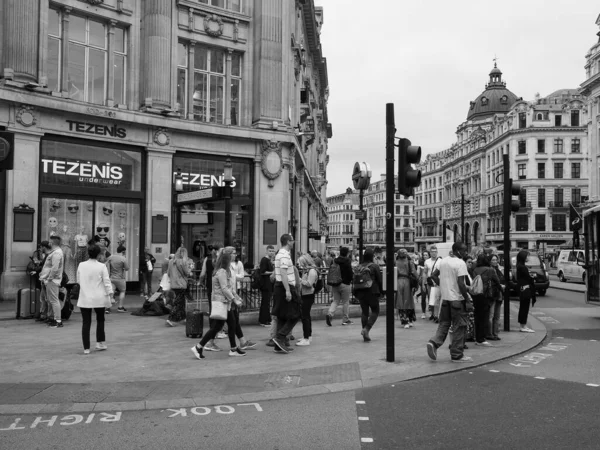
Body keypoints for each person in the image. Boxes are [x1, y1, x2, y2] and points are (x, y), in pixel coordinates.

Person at [191, 251, 247, 359]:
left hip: (225, 302)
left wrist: (237, 297)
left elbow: (229, 288)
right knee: (223, 326)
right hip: (222, 302)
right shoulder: (221, 272)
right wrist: (234, 300)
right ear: (226, 261)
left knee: (226, 325)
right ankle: (200, 346)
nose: (232, 261)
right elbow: (224, 289)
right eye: (230, 259)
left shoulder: (224, 271)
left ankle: (232, 348)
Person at [426, 242, 474, 363]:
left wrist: (442, 285)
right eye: (463, 250)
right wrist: (467, 300)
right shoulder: (460, 263)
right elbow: (461, 284)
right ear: (457, 250)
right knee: (459, 327)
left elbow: (433, 275)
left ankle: (434, 343)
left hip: (445, 300)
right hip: (457, 300)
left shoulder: (443, 261)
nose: (465, 252)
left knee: (444, 324)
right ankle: (457, 355)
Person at [77, 244, 114, 354]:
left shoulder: (81, 265)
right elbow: (107, 282)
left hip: (85, 296)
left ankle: (86, 348)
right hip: (99, 296)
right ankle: (100, 342)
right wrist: (110, 294)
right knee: (100, 319)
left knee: (86, 322)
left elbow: (79, 281)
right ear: (99, 254)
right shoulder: (101, 266)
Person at [271, 234, 301, 354]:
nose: (294, 243)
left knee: (282, 315)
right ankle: (280, 337)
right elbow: (283, 273)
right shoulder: (283, 255)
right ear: (288, 242)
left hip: (281, 287)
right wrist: (288, 290)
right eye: (292, 241)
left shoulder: (282, 254)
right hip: (285, 287)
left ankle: (279, 344)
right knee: (296, 314)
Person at [223, 246, 256, 351]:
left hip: (232, 295)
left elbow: (240, 277)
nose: (235, 254)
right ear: (228, 254)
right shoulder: (224, 268)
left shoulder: (235, 265)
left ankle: (241, 342)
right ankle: (205, 344)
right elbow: (225, 286)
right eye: (233, 253)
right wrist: (233, 298)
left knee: (234, 321)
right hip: (226, 298)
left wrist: (236, 297)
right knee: (223, 324)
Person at [471, 253, 500, 347]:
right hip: (486, 296)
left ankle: (477, 337)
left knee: (477, 316)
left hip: (476, 295)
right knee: (485, 317)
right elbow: (497, 281)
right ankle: (482, 338)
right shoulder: (490, 270)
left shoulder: (475, 270)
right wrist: (501, 289)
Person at [354, 249, 382, 342]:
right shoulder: (374, 266)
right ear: (372, 256)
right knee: (375, 311)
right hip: (372, 291)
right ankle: (366, 329)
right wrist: (382, 292)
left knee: (364, 312)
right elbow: (379, 279)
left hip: (361, 291)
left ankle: (365, 332)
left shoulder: (359, 266)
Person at [199, 245, 222, 352]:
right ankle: (215, 333)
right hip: (218, 288)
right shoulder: (220, 260)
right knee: (219, 310)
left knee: (212, 309)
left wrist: (200, 282)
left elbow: (203, 274)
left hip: (209, 287)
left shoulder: (206, 259)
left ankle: (213, 332)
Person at [38, 236, 65, 328]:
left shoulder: (57, 253)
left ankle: (58, 320)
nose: (48, 243)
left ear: (52, 243)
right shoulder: (55, 252)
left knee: (53, 300)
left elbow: (55, 267)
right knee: (52, 300)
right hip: (52, 280)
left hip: (53, 280)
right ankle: (56, 319)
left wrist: (49, 278)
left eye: (50, 241)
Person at [326, 246, 353, 326]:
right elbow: (350, 272)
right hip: (345, 284)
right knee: (345, 302)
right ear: (347, 253)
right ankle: (345, 319)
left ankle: (330, 314)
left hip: (335, 283)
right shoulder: (347, 261)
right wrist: (350, 280)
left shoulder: (335, 260)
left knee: (336, 301)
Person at [297, 254, 319, 346]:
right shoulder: (307, 270)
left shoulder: (312, 271)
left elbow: (309, 283)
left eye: (300, 262)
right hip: (305, 294)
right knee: (306, 316)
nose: (299, 264)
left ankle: (306, 338)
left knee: (305, 317)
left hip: (308, 295)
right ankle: (307, 335)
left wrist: (300, 280)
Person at [165, 247, 189, 327]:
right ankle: (170, 318)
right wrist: (190, 272)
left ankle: (183, 317)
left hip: (173, 284)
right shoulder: (183, 261)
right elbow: (187, 272)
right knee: (178, 303)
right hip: (181, 284)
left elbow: (168, 273)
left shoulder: (171, 261)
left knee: (181, 301)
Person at [395, 248, 418, 329]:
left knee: (400, 301)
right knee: (409, 301)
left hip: (398, 282)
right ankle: (410, 319)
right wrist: (416, 284)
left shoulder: (395, 261)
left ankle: (404, 321)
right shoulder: (409, 261)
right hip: (407, 282)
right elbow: (414, 273)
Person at [106, 245, 130, 313]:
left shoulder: (111, 257)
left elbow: (106, 264)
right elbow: (127, 268)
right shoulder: (123, 258)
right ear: (123, 251)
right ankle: (120, 307)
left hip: (111, 278)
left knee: (111, 293)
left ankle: (108, 308)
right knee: (122, 291)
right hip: (120, 278)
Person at [516, 250, 536, 333]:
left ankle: (523, 325)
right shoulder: (522, 267)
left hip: (523, 289)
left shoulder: (519, 266)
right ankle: (523, 326)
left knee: (523, 308)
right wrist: (532, 277)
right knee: (524, 308)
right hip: (525, 289)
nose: (528, 257)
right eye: (527, 256)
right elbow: (527, 278)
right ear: (523, 257)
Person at [33, 241, 52, 322]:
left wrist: (37, 270)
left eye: (41, 247)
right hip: (44, 279)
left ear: (44, 247)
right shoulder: (47, 255)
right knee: (43, 298)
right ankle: (43, 315)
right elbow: (43, 266)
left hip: (48, 279)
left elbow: (46, 267)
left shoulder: (50, 255)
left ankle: (49, 316)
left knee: (48, 299)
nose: (40, 249)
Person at [259, 245, 276, 327]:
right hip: (265, 284)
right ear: (266, 251)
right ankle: (264, 320)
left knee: (267, 302)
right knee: (265, 302)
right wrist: (272, 272)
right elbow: (262, 271)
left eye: (273, 251)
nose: (271, 252)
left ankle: (266, 319)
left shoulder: (270, 260)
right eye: (270, 251)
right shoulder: (264, 260)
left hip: (269, 284)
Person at [488, 254, 504, 341]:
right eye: (493, 260)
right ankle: (490, 334)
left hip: (499, 295)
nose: (495, 261)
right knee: (491, 315)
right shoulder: (489, 270)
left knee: (497, 316)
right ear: (489, 261)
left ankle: (495, 333)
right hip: (492, 295)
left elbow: (503, 279)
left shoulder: (498, 270)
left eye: (496, 260)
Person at [424, 246, 442, 322]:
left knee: (437, 299)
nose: (434, 253)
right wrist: (423, 283)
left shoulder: (440, 261)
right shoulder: (427, 261)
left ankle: (436, 315)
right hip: (430, 282)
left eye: (435, 251)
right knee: (430, 299)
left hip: (437, 283)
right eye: (432, 251)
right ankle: (432, 313)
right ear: (430, 252)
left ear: (437, 252)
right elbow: (424, 273)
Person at [417, 251, 429, 319]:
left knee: (430, 297)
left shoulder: (430, 262)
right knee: (423, 297)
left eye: (426, 255)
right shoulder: (421, 263)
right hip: (423, 282)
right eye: (424, 255)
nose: (425, 256)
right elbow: (418, 273)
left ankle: (431, 311)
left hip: (429, 281)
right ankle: (423, 312)